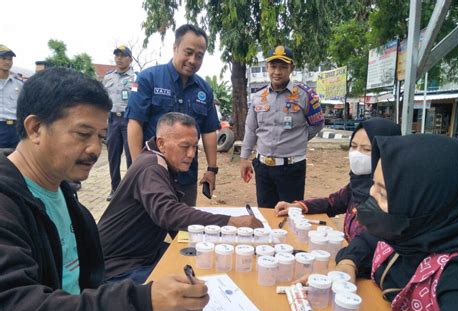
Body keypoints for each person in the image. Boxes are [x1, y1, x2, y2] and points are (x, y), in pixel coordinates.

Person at [0, 68, 209, 311]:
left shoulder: (66, 199)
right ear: (35, 128)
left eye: (101, 136)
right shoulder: (7, 205)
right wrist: (139, 304)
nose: (95, 149)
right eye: (83, 134)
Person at [236, 134, 458, 311]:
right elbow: (370, 240)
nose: (366, 202)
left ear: (426, 201)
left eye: (382, 193)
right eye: (373, 186)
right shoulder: (416, 232)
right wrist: (346, 267)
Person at [98, 112, 263, 284]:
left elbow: (171, 219)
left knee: (203, 261)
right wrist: (231, 222)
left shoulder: (158, 160)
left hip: (143, 252)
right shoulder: (152, 168)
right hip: (118, 267)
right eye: (185, 146)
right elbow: (169, 213)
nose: (191, 154)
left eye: (194, 146)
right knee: (196, 285)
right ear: (161, 143)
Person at [126, 24, 220, 206]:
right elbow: (135, 123)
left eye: (199, 56)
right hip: (153, 175)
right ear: (175, 48)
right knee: (149, 229)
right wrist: (139, 170)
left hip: (186, 178)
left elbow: (209, 131)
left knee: (183, 230)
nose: (193, 60)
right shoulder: (148, 79)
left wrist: (212, 169)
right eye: (188, 52)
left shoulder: (204, 89)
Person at [275, 117, 401, 242]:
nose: (357, 154)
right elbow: (333, 203)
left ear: (386, 152)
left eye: (367, 149)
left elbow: (372, 245)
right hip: (347, 256)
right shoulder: (357, 184)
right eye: (353, 146)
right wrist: (299, 206)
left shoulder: (390, 197)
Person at [240, 45, 324, 208]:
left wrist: (298, 139)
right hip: (263, 168)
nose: (277, 72)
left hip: (292, 169)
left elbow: (317, 124)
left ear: (292, 68)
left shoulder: (305, 95)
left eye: (283, 67)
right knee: (265, 214)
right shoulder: (259, 97)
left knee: (289, 217)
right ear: (267, 67)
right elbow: (251, 129)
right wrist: (244, 158)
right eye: (273, 66)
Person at [103, 45, 135, 201]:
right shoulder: (108, 77)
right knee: (113, 156)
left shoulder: (136, 78)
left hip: (129, 120)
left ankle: (129, 190)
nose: (119, 58)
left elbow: (137, 99)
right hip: (112, 120)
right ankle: (115, 188)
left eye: (122, 55)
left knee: (131, 156)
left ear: (130, 58)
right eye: (116, 55)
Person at [0, 44, 22, 149]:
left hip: (15, 129)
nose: (8, 62)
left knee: (14, 160)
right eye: (4, 58)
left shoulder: (18, 85)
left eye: (10, 59)